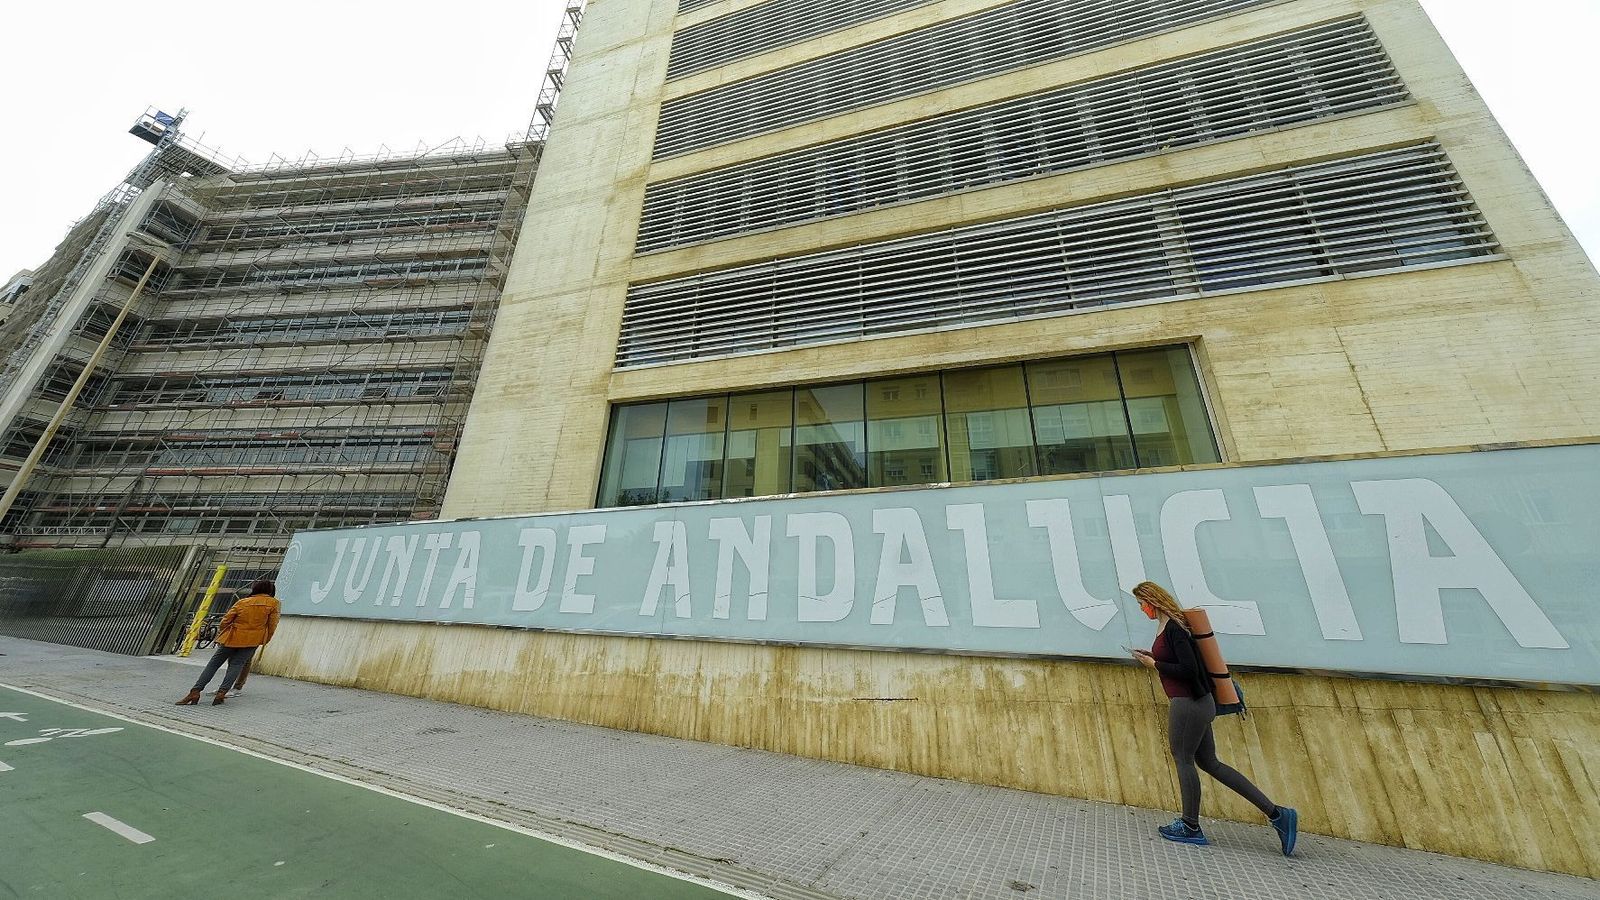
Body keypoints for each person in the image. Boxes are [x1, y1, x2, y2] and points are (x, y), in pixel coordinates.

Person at [1127, 581, 1298, 855]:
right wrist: (1153, 657)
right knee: (1209, 762)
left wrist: (1155, 664)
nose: (1141, 609)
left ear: (1152, 600)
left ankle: (1190, 826)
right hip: (1197, 704)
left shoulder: (1174, 628)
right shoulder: (1169, 627)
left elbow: (1189, 670)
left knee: (1183, 759)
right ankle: (1278, 814)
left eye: (1141, 603)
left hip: (1189, 704)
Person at [176, 578, 280, 707]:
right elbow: (272, 625)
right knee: (236, 665)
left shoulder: (242, 602)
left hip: (231, 638)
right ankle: (222, 693)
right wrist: (264, 640)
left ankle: (195, 691)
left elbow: (225, 621)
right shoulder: (273, 603)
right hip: (252, 640)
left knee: (213, 664)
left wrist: (224, 633)